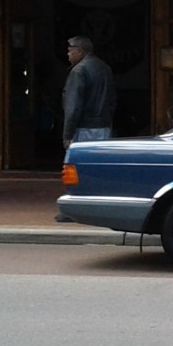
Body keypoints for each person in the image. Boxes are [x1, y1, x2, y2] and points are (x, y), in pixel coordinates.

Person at [57, 35, 116, 222]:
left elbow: (73, 106)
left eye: (70, 50)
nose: (67, 53)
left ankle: (73, 209)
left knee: (75, 169)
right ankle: (99, 206)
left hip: (84, 127)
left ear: (80, 51)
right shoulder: (104, 68)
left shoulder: (79, 71)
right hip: (103, 125)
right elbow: (113, 100)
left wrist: (67, 134)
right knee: (99, 169)